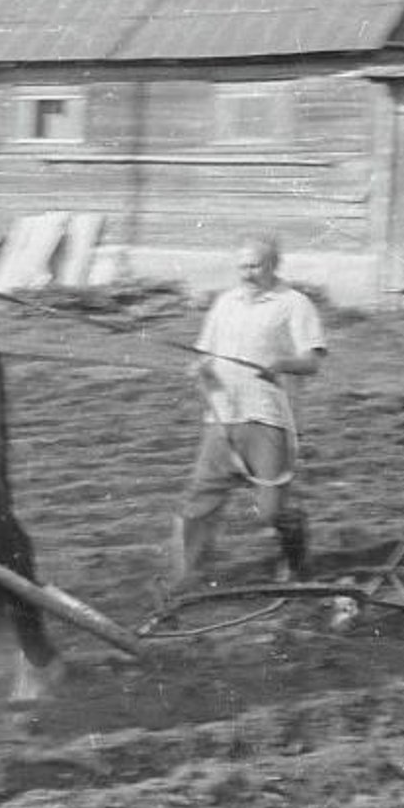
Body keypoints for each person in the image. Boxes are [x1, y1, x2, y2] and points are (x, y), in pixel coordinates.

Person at [169, 233, 327, 588]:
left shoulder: (295, 304)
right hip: (222, 416)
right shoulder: (225, 303)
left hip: (269, 418)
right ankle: (187, 576)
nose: (247, 273)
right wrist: (200, 368)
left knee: (273, 509)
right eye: (242, 266)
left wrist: (282, 363)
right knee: (200, 501)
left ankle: (295, 560)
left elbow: (313, 361)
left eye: (255, 266)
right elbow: (205, 353)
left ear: (273, 265)